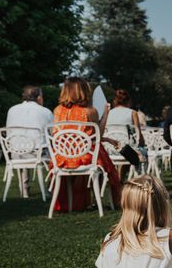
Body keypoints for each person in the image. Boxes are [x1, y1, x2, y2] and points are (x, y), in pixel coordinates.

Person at [51, 77, 121, 212]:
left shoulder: (57, 110)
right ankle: (98, 200)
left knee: (98, 152)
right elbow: (97, 136)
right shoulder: (90, 111)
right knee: (104, 162)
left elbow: (58, 135)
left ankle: (73, 202)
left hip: (63, 157)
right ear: (83, 91)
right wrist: (105, 115)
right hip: (84, 156)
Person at [5, 86, 54, 197]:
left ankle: (25, 190)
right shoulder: (45, 111)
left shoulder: (12, 110)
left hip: (16, 154)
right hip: (37, 154)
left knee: (23, 148)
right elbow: (54, 133)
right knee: (58, 156)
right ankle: (50, 189)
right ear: (39, 98)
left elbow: (9, 132)